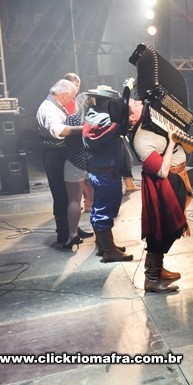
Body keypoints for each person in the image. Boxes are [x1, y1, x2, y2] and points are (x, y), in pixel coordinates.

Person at [129, 94, 188, 293]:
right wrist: (171, 142)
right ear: (132, 117)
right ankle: (152, 278)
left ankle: (157, 269)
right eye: (136, 104)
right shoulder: (140, 138)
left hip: (172, 181)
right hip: (163, 186)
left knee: (166, 229)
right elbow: (162, 171)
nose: (141, 102)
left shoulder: (150, 126)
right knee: (162, 230)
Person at [82, 86, 133, 263]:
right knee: (104, 211)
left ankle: (103, 246)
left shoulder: (93, 115)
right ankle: (109, 251)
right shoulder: (106, 121)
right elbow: (121, 127)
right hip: (106, 173)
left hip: (99, 171)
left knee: (98, 209)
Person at [36, 79, 88, 245]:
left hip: (60, 153)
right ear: (64, 94)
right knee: (61, 194)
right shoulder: (49, 108)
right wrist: (86, 129)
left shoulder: (55, 105)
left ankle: (73, 228)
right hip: (55, 155)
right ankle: (65, 233)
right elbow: (60, 131)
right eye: (72, 96)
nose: (73, 100)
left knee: (69, 194)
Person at [61, 93, 94, 249]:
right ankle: (101, 234)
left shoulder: (71, 120)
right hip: (91, 163)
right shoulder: (95, 120)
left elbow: (63, 137)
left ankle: (73, 234)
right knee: (94, 201)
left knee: (74, 200)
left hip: (74, 162)